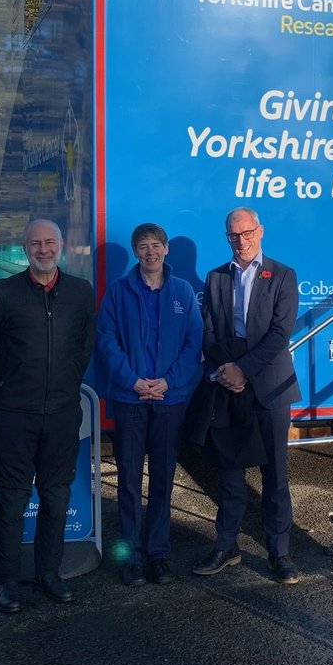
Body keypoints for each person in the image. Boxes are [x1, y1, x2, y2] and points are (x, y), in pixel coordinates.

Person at [0, 219, 95, 613]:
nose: (42, 250)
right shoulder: (3, 293)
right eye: (34, 244)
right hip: (14, 416)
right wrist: (7, 391)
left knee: (56, 498)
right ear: (24, 249)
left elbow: (84, 347)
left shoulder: (80, 292)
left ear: (61, 245)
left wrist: (64, 387)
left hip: (61, 414)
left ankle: (49, 573)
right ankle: (7, 580)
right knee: (11, 500)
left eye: (49, 243)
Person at [190, 208, 301, 585]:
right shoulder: (215, 277)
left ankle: (280, 552)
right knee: (230, 474)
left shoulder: (283, 275)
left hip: (269, 387)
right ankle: (226, 546)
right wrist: (226, 371)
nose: (241, 240)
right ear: (227, 237)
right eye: (234, 235)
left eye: (247, 232)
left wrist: (244, 370)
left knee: (275, 476)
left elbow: (279, 333)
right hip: (228, 387)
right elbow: (208, 332)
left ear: (260, 231)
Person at [96, 223, 202, 587]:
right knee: (127, 480)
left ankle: (157, 553)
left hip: (169, 400)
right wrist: (134, 381)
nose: (150, 252)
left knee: (162, 479)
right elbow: (107, 342)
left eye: (156, 245)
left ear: (167, 249)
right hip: (130, 398)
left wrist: (168, 382)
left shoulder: (183, 292)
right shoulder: (118, 292)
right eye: (143, 246)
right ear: (135, 252)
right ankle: (131, 556)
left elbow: (193, 344)